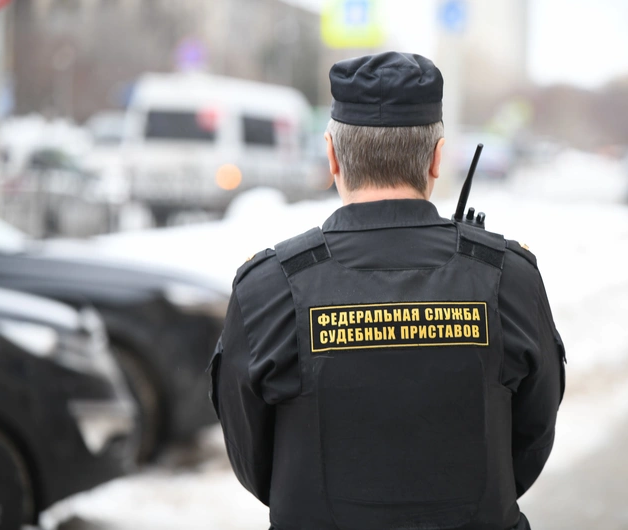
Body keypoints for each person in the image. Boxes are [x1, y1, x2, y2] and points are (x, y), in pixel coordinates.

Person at [208, 51, 565, 530]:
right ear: (437, 158)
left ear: (332, 156)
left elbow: (252, 458)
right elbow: (530, 441)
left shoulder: (268, 288)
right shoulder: (509, 279)